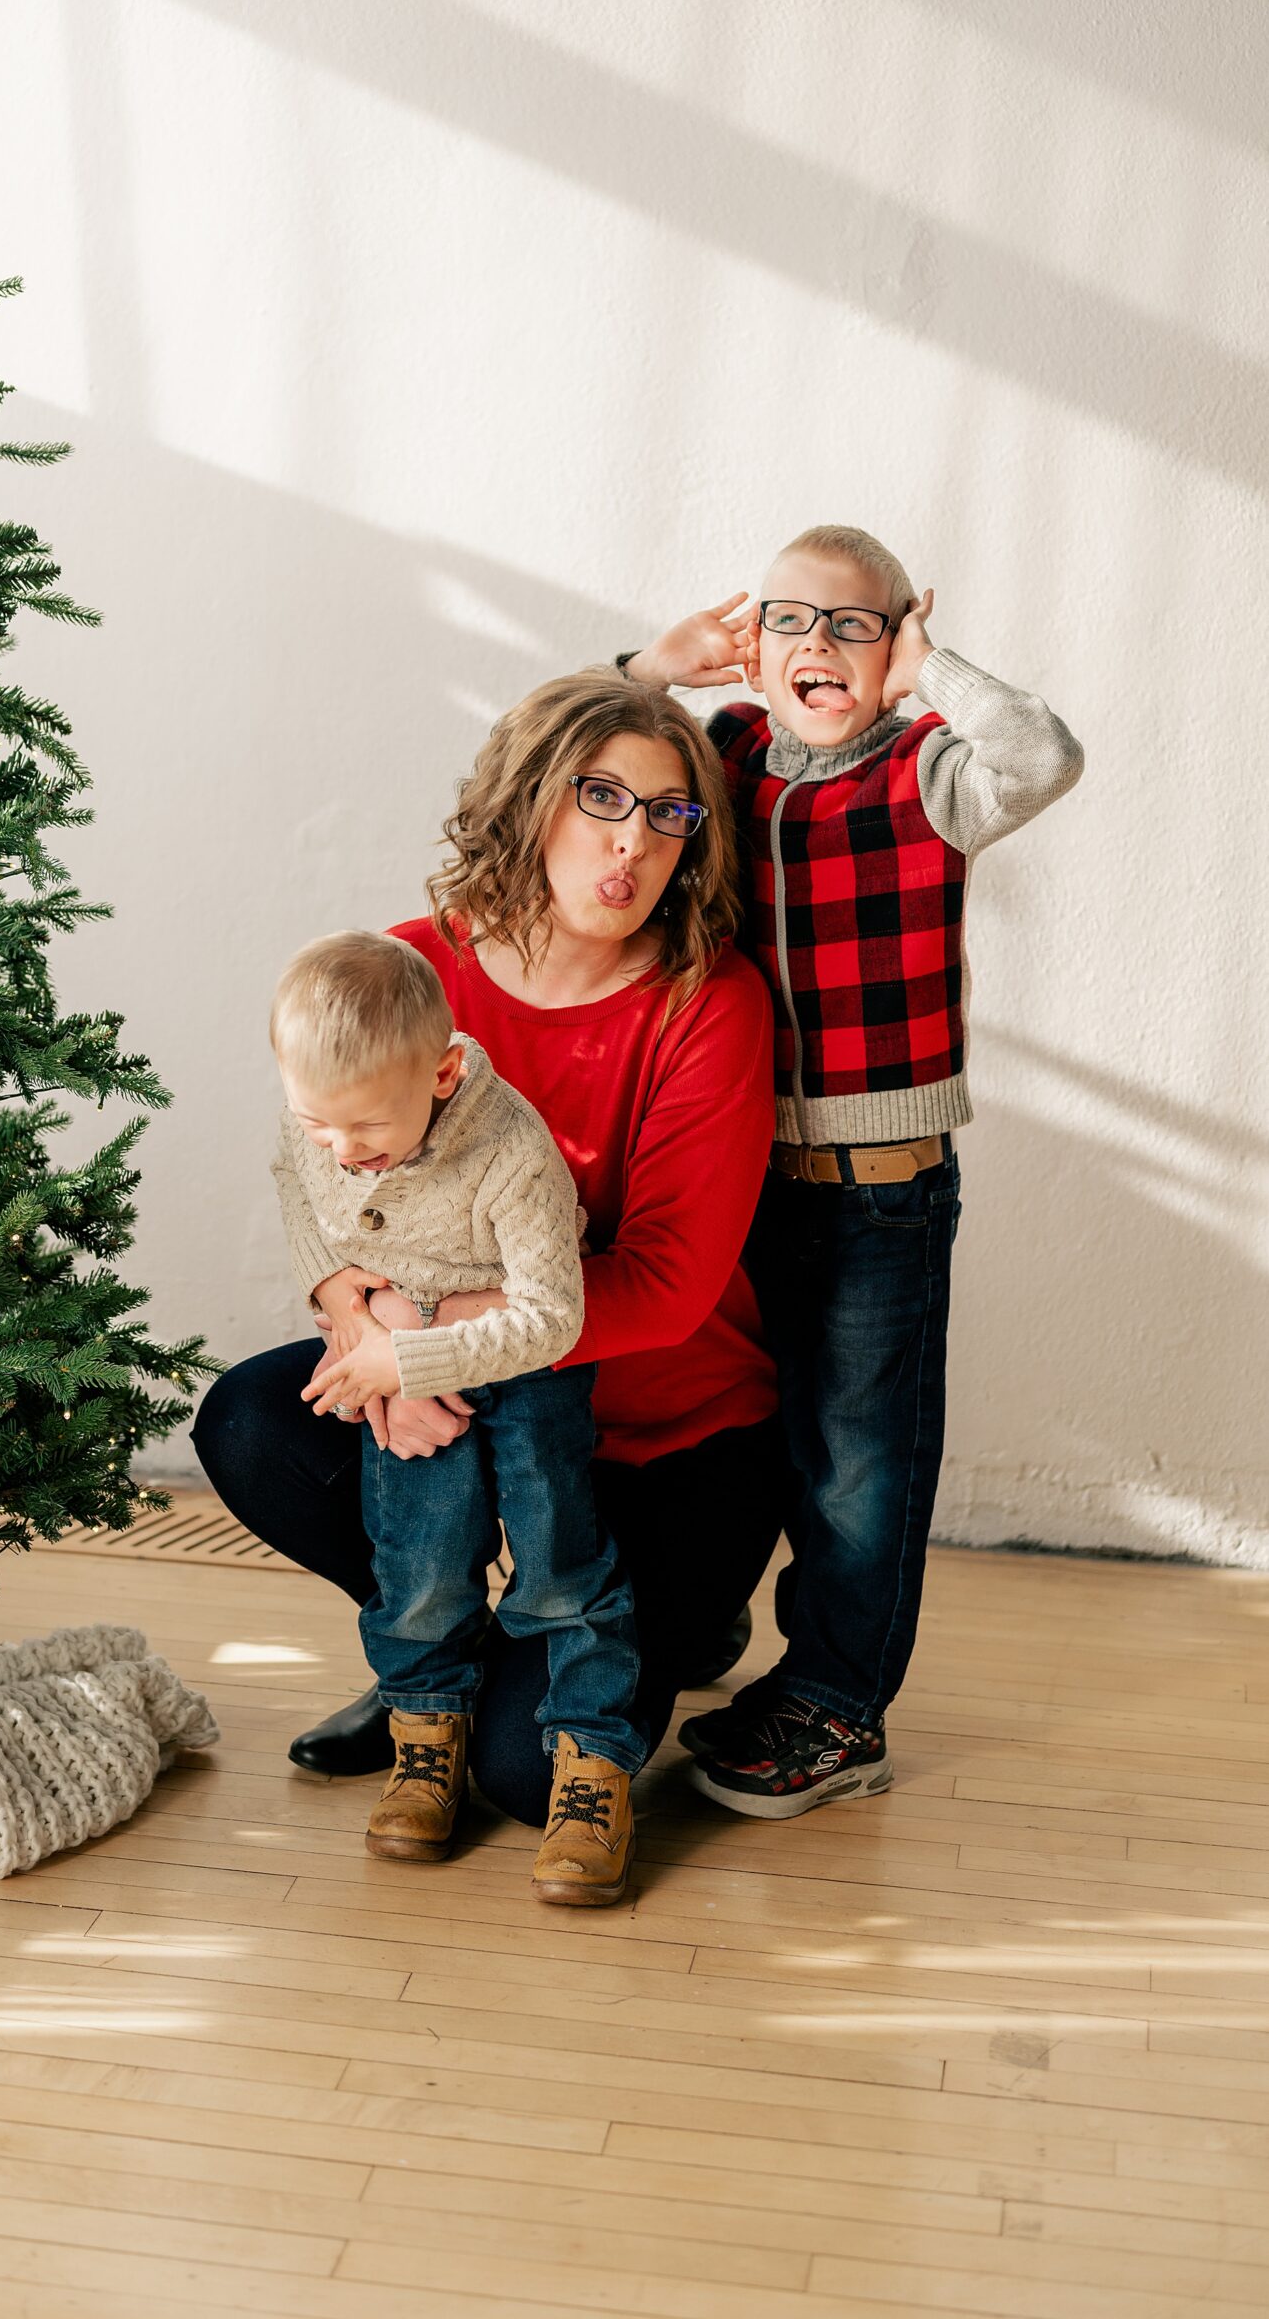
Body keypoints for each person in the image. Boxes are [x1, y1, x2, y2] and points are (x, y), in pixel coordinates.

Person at [194, 669, 781, 1836]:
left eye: (671, 814)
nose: (635, 841)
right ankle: (436, 1663)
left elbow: (667, 1288)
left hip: (661, 1422)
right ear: (530, 801)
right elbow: (322, 1159)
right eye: (601, 797)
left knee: (523, 1782)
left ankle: (676, 1623)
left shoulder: (707, 1004)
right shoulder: (414, 965)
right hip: (470, 1393)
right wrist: (360, 1322)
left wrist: (424, 1342)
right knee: (252, 1422)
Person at [617, 524, 1084, 1818]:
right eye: (788, 621)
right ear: (747, 642)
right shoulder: (720, 758)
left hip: (881, 1190)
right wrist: (652, 670)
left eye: (852, 625)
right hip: (741, 1171)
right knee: (742, 1420)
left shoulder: (930, 772)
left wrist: (933, 669)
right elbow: (573, 766)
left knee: (857, 1457)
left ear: (897, 643)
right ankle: (701, 1621)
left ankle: (834, 1706)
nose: (815, 647)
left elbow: (1042, 754)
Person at [268, 930, 643, 1904]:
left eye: (363, 1131)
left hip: (524, 1371)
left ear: (441, 1073)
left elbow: (553, 1318)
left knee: (561, 1567)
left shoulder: (511, 1152)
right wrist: (352, 1314)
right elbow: (298, 1191)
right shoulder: (321, 1123)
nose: (341, 1154)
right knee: (419, 1562)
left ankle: (592, 1767)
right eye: (317, 1124)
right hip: (399, 1358)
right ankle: (425, 1734)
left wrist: (407, 1354)